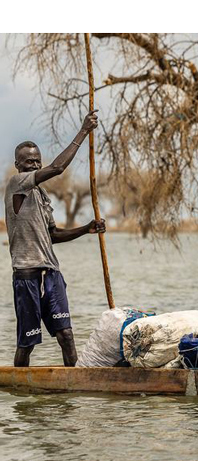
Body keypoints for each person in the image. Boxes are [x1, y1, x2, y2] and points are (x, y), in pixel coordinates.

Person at [4, 110, 105, 367]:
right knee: (27, 342)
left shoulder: (42, 196)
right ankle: (22, 395)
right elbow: (58, 167)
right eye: (29, 162)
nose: (35, 166)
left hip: (51, 274)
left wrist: (86, 229)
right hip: (26, 275)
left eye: (38, 161)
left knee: (66, 335)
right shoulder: (17, 185)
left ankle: (73, 391)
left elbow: (53, 236)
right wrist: (84, 131)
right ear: (18, 165)